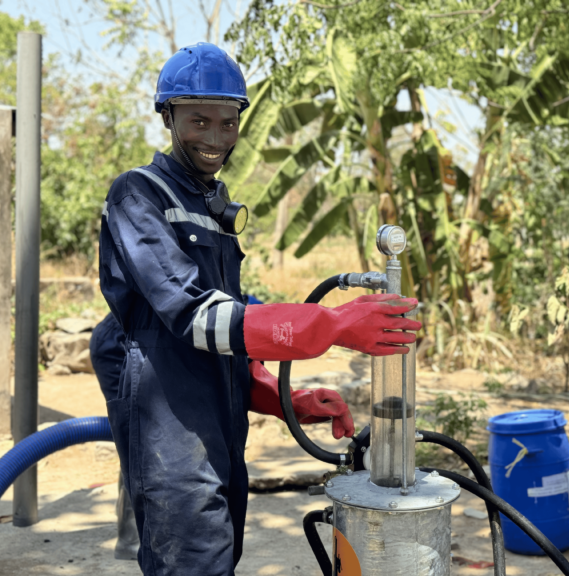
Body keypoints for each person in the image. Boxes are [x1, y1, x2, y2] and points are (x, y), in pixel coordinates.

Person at [98, 42, 420, 575]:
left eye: (229, 122)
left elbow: (230, 330)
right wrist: (333, 325)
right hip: (171, 439)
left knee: (221, 556)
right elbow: (195, 317)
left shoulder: (213, 206)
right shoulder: (138, 195)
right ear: (167, 116)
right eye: (199, 120)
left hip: (220, 435)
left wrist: (283, 398)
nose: (216, 138)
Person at [89, 290, 264, 560]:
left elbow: (246, 378)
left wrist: (294, 402)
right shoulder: (237, 318)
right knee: (148, 445)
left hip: (174, 345)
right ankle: (134, 539)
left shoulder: (249, 316)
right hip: (120, 346)